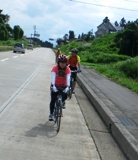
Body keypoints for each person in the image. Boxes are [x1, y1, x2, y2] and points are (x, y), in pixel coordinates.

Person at [49, 54, 71, 121]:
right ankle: (51, 114)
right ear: (58, 62)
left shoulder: (67, 69)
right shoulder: (55, 68)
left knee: (65, 95)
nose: (62, 64)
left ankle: (62, 102)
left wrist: (68, 86)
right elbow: (53, 77)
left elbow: (68, 77)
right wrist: (53, 85)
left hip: (63, 85)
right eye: (61, 62)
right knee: (53, 100)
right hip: (56, 85)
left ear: (66, 63)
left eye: (64, 63)